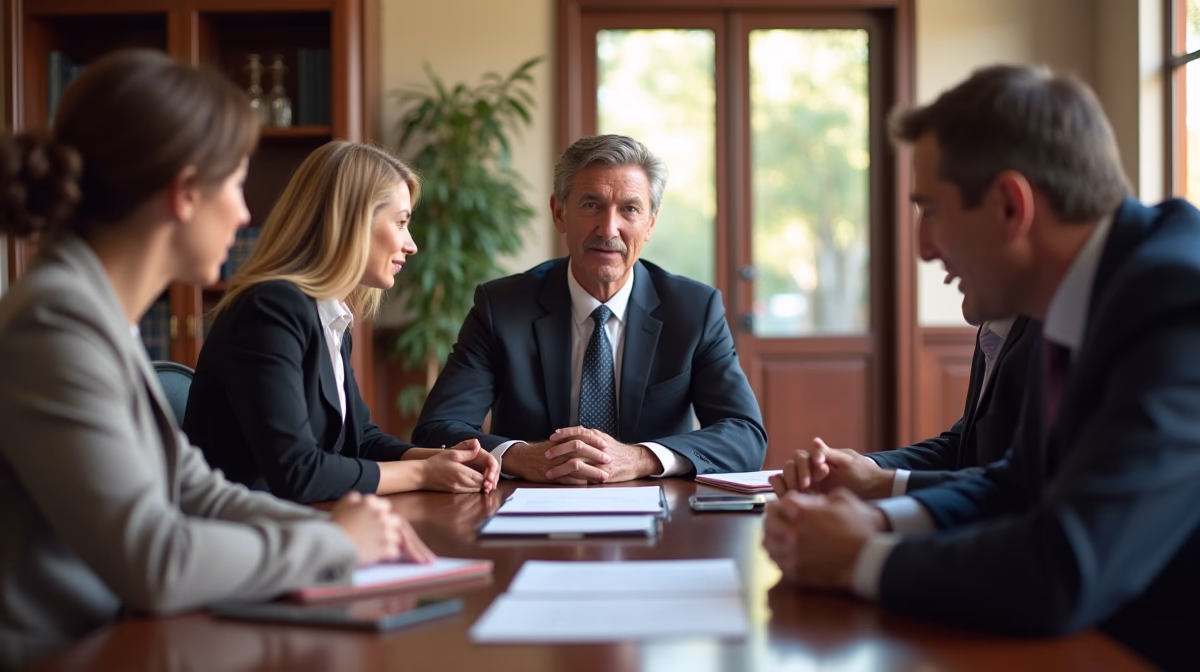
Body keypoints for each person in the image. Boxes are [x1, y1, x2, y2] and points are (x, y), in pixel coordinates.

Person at [0, 50, 432, 671]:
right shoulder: (56, 326)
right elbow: (156, 562)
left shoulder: (93, 315)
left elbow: (194, 486)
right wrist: (334, 544)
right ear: (183, 193)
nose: (246, 212)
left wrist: (334, 536)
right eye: (235, 183)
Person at [762, 64, 1200, 671]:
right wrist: (872, 519)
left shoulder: (1178, 301)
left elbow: (1066, 568)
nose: (921, 247)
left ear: (1008, 206)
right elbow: (1018, 483)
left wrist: (859, 559)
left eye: (931, 210)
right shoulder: (1083, 287)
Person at [413, 134, 766, 484]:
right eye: (591, 205)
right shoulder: (502, 308)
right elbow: (436, 430)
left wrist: (642, 457)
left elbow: (745, 435)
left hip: (659, 515)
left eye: (629, 209)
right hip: (529, 509)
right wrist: (522, 457)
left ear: (651, 223)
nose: (608, 228)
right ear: (559, 213)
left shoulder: (693, 310)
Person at [184, 140, 500, 504]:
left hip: (299, 527)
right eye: (400, 223)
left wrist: (441, 459)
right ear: (352, 222)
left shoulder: (326, 316)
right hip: (244, 539)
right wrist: (423, 473)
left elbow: (359, 439)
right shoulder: (269, 310)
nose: (411, 245)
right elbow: (297, 472)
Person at [770, 313, 1038, 498]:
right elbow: (962, 447)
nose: (926, 250)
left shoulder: (1048, 336)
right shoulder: (995, 330)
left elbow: (1023, 491)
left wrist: (880, 484)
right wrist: (865, 466)